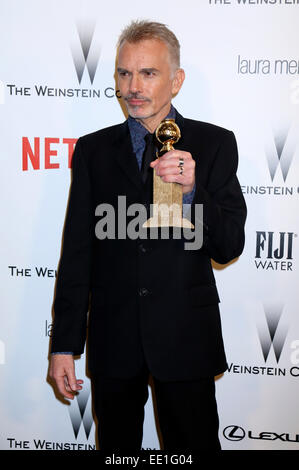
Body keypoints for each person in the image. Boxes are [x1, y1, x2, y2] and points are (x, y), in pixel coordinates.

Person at [49, 19, 247, 452]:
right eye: (124, 73)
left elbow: (229, 243)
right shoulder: (93, 150)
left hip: (185, 335)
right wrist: (64, 345)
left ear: (176, 80)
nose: (133, 86)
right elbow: (78, 252)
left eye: (148, 73)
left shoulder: (214, 145)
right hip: (113, 336)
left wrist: (195, 192)